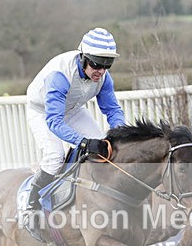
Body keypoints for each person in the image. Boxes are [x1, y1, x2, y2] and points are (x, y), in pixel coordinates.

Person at [22, 27, 126, 234]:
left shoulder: (104, 78)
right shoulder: (59, 75)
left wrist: (121, 133)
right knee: (55, 156)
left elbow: (113, 110)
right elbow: (54, 121)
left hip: (73, 110)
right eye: (97, 63)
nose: (101, 70)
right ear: (83, 57)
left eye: (107, 64)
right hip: (43, 112)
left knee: (106, 149)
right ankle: (30, 206)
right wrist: (84, 142)